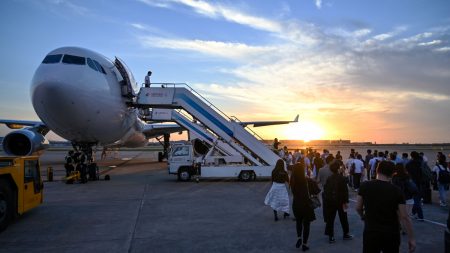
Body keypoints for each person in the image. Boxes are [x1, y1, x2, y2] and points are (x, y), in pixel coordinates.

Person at [356, 161, 416, 253]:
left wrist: (363, 216)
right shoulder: (397, 191)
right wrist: (411, 238)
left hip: (371, 232)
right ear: (392, 173)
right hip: (391, 233)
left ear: (377, 170)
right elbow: (405, 216)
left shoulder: (365, 186)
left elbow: (358, 207)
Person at [290, 160, 321, 251]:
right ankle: (305, 244)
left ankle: (299, 237)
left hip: (296, 205)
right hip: (306, 205)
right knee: (306, 225)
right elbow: (317, 191)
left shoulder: (293, 181)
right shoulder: (308, 181)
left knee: (298, 222)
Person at [323, 162, 353, 243]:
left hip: (331, 201)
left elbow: (326, 190)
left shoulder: (329, 178)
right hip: (341, 201)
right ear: (338, 169)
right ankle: (345, 234)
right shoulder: (342, 178)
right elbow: (345, 191)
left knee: (330, 219)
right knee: (343, 218)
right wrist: (346, 201)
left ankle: (331, 237)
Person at [392, 163, 418, 233]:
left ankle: (402, 229)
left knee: (399, 216)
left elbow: (394, 189)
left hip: (399, 199)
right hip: (409, 198)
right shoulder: (408, 176)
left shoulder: (395, 177)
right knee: (407, 216)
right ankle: (407, 230)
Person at [406, 151, 424, 220]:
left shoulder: (410, 164)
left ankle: (420, 215)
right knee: (417, 198)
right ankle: (414, 213)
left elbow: (408, 173)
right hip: (421, 182)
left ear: (411, 156)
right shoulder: (421, 161)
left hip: (414, 182)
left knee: (415, 199)